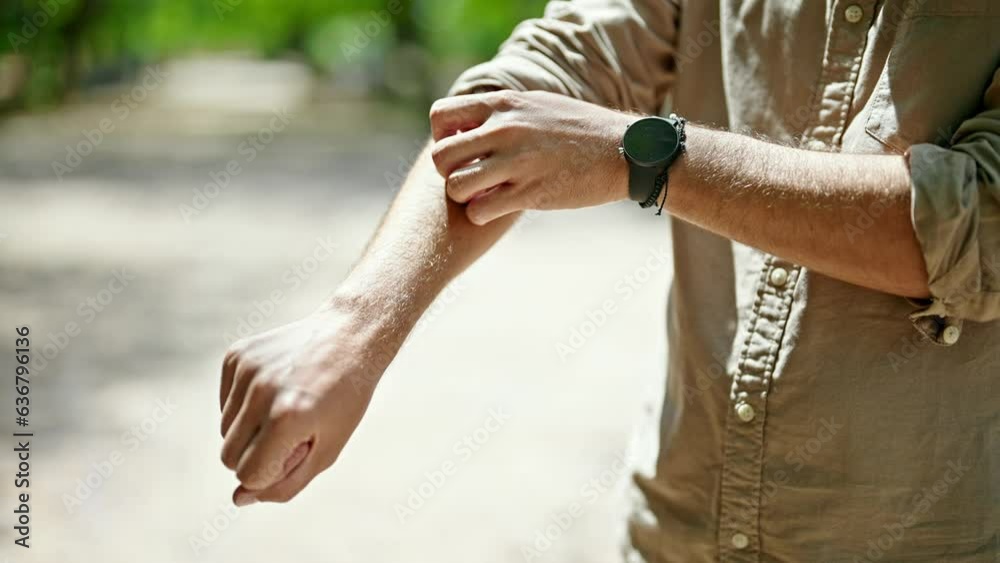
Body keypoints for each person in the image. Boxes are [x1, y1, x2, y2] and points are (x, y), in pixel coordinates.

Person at [217, 1, 1000, 560]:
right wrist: (354, 327)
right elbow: (520, 96)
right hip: (675, 530)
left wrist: (647, 154)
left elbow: (978, 223)